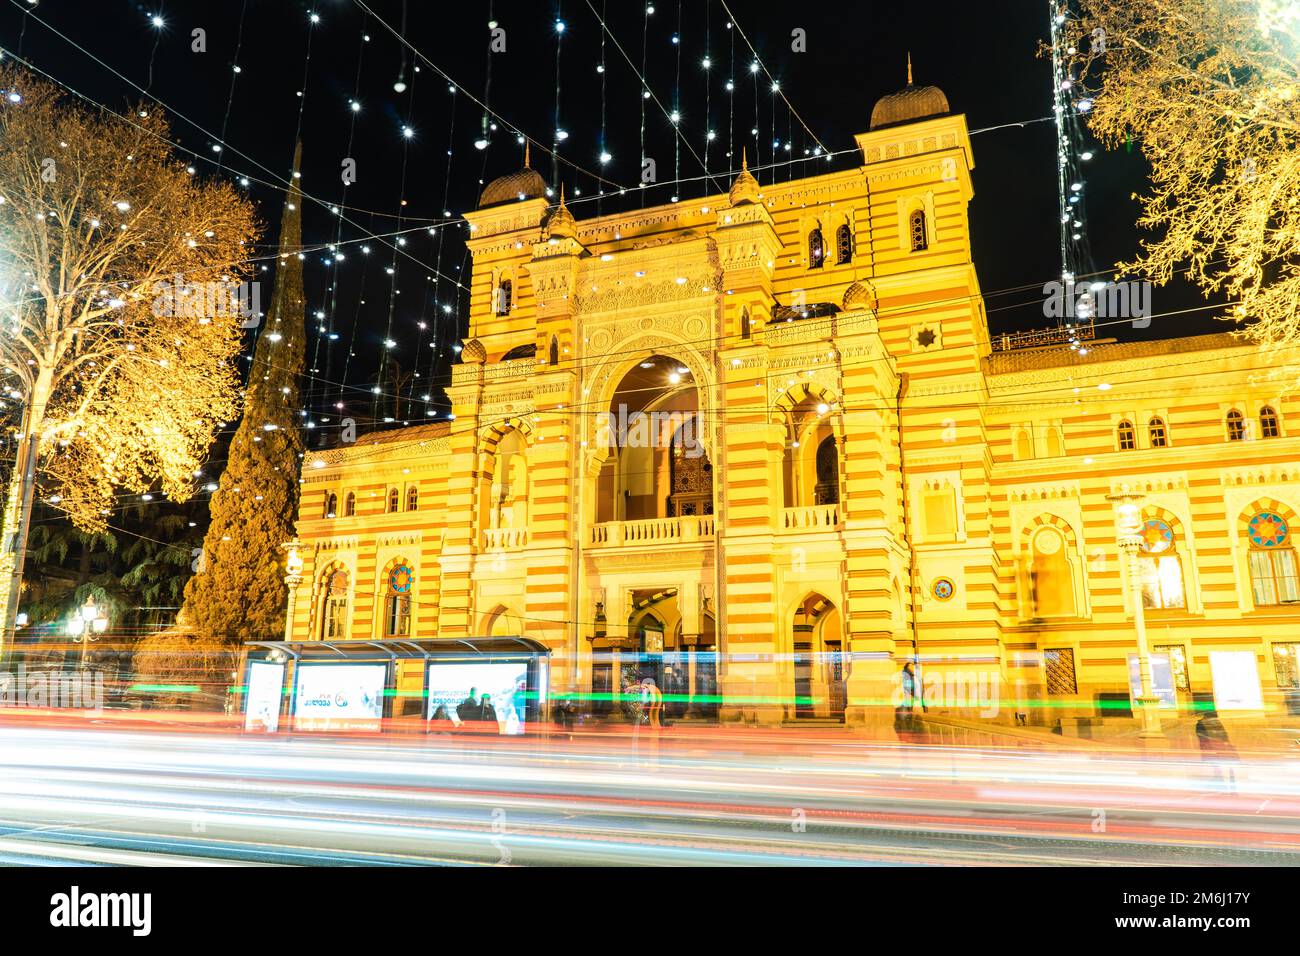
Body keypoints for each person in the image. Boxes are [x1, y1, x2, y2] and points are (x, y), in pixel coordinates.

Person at [1195, 699, 1239, 792]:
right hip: (1220, 747)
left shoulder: (1201, 723)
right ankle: (1226, 781)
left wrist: (1204, 748)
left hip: (1210, 747)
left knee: (1216, 764)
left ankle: (1220, 780)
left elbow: (1201, 737)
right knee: (1224, 764)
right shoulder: (1216, 722)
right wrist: (1226, 743)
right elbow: (1224, 734)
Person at [894, 661, 921, 743]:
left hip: (905, 701)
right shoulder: (909, 676)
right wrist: (916, 697)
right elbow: (911, 689)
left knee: (904, 720)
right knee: (906, 720)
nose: (913, 668)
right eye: (912, 666)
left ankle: (905, 737)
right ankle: (907, 737)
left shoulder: (906, 675)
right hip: (907, 701)